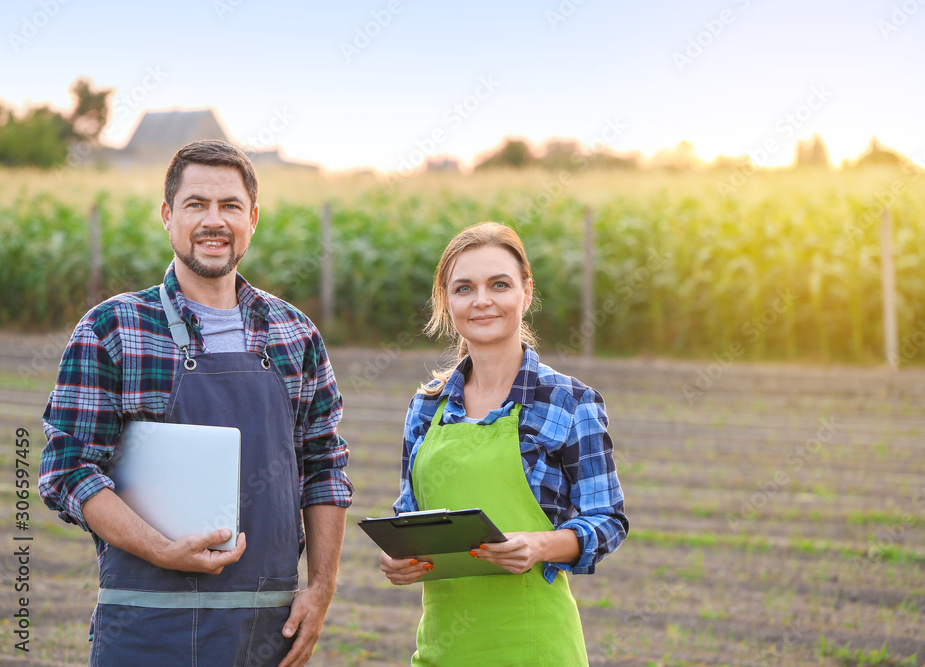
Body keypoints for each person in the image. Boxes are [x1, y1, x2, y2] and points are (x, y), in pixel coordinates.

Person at [38, 140, 353, 667]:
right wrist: (162, 550)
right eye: (195, 204)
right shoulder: (112, 329)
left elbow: (324, 468)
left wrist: (320, 590)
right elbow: (68, 471)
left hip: (264, 630)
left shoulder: (295, 335)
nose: (214, 220)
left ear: (252, 218)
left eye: (230, 206)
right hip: (146, 626)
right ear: (167, 215)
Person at [379, 221, 628, 665]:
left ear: (525, 293)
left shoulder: (569, 402)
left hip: (534, 646)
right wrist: (401, 557)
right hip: (442, 649)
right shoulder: (425, 407)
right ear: (447, 301)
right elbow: (411, 516)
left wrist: (539, 545)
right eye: (464, 288)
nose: (482, 301)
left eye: (499, 284)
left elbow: (608, 521)